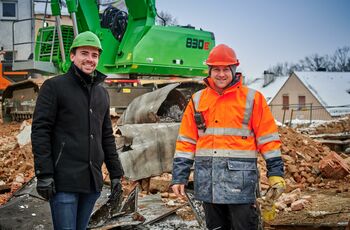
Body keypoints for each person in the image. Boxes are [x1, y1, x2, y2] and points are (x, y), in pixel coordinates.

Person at [171, 44, 285, 230]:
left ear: (234, 70)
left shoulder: (252, 99)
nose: (221, 74)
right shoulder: (198, 100)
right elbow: (187, 141)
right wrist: (179, 177)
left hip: (240, 184)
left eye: (226, 69)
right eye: (216, 69)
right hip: (208, 182)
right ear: (210, 71)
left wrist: (276, 173)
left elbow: (268, 139)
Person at [31, 31, 124, 230]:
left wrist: (116, 173)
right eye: (84, 53)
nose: (90, 59)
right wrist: (44, 173)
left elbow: (106, 135)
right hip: (64, 181)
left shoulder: (101, 93)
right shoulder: (54, 87)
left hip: (91, 181)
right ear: (73, 56)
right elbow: (41, 131)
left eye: (94, 55)